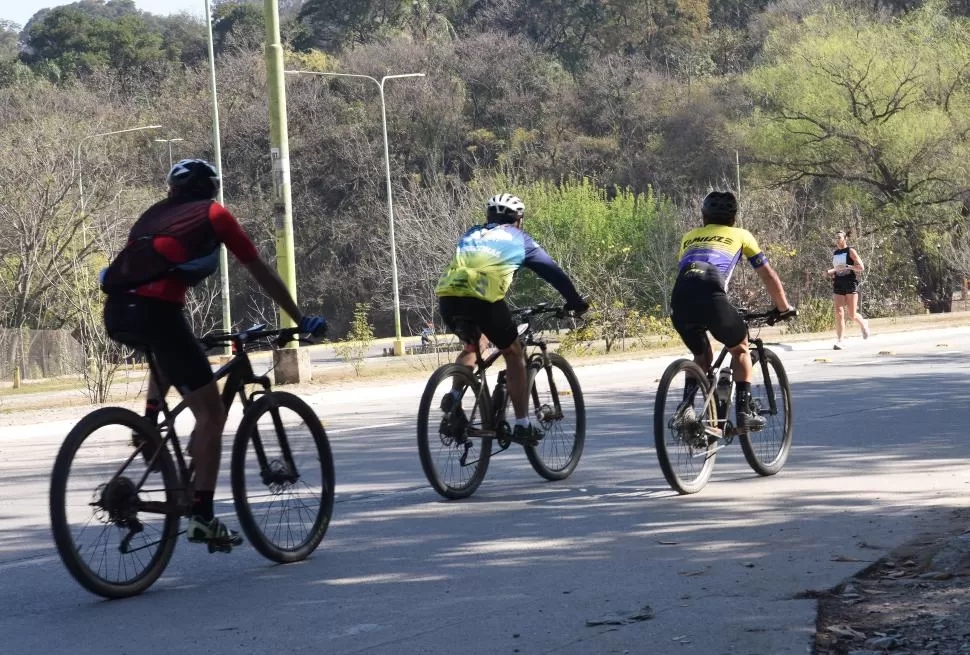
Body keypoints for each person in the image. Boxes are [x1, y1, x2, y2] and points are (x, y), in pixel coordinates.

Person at [100, 159, 326, 550]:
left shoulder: (152, 215)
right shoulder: (214, 214)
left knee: (168, 353)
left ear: (173, 190)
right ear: (212, 189)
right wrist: (299, 317)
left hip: (118, 311)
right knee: (212, 413)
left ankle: (150, 426)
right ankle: (202, 517)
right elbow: (259, 270)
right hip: (158, 314)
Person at [435, 193, 589, 444]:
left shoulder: (472, 233)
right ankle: (522, 424)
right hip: (483, 298)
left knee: (475, 344)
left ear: (488, 218)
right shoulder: (520, 239)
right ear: (519, 220)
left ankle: (454, 395)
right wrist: (575, 301)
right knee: (514, 352)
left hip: (448, 297)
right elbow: (552, 271)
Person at [671, 191, 796, 433]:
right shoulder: (741, 235)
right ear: (733, 218)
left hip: (680, 300)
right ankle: (743, 412)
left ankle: (687, 408)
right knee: (740, 347)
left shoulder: (690, 236)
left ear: (704, 216)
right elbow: (767, 274)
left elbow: (690, 273)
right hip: (712, 296)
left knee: (701, 355)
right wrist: (783, 307)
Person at [827, 229, 870, 350]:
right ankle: (840, 340)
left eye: (839, 237)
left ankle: (863, 323)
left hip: (850, 283)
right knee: (839, 312)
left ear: (845, 239)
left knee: (851, 315)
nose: (837, 240)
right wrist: (830, 272)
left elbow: (861, 267)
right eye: (835, 238)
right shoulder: (835, 253)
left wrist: (848, 266)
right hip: (838, 284)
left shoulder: (851, 251)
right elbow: (837, 268)